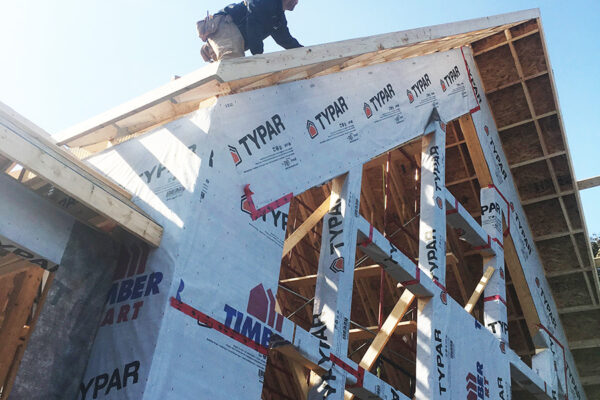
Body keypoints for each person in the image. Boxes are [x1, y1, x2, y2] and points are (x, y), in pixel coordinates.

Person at [198, 0, 302, 62]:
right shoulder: (266, 2)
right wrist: (257, 55)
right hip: (225, 25)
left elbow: (286, 40)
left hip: (230, 37)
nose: (297, 1)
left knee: (230, 66)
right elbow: (253, 23)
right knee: (232, 64)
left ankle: (210, 48)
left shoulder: (277, 17)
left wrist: (308, 52)